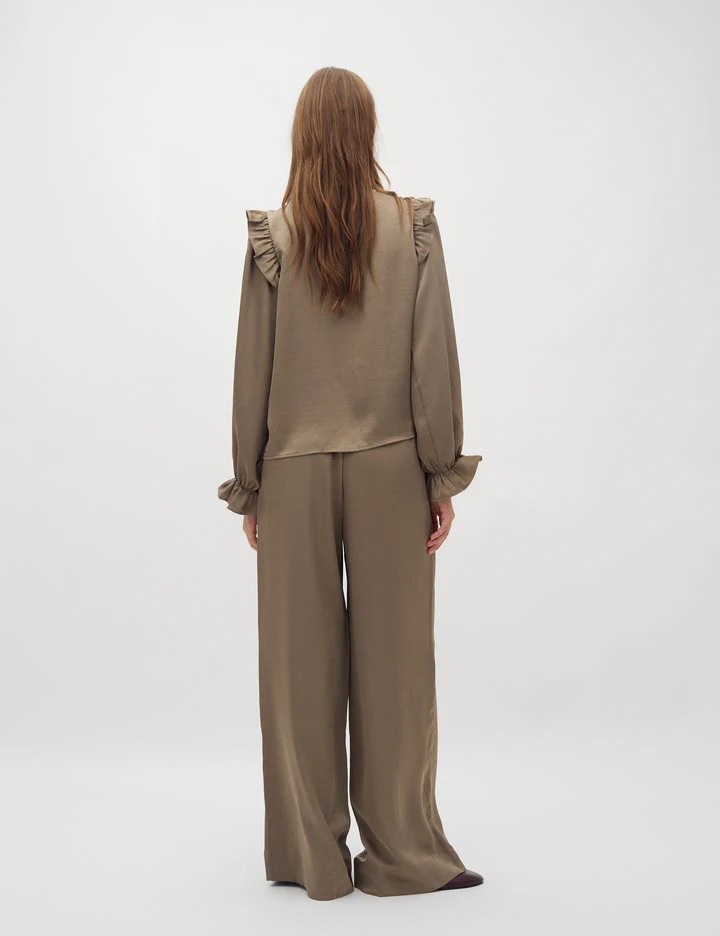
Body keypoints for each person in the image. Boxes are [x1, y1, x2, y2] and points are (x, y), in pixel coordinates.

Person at [218, 66, 483, 901]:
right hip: (391, 465)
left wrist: (252, 483)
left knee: (297, 670)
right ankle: (403, 856)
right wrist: (439, 471)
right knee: (397, 667)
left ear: (302, 131)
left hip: (293, 469)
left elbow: (252, 369)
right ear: (366, 130)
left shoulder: (274, 234)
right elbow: (431, 359)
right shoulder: (412, 228)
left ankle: (313, 858)